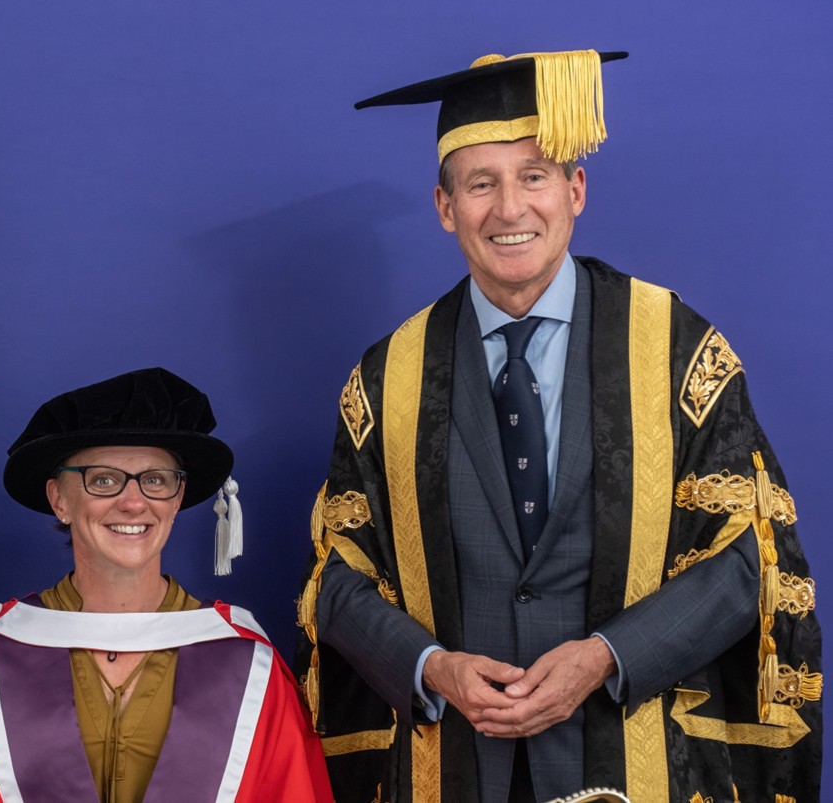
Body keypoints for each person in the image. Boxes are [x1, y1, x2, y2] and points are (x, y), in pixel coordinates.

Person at [295, 50, 821, 803]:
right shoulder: (388, 377)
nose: (510, 209)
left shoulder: (675, 349)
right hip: (453, 764)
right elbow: (337, 579)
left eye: (534, 175)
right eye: (481, 184)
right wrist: (429, 665)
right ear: (446, 207)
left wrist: (608, 655)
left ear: (576, 190)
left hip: (630, 757)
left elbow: (747, 559)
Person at [0, 368, 332, 802]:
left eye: (156, 480)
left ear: (178, 498)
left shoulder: (247, 662)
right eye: (102, 479)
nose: (133, 502)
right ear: (59, 499)